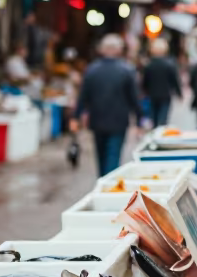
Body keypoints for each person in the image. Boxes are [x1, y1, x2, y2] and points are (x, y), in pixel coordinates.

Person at [73, 34, 141, 177]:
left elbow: (83, 96)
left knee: (101, 156)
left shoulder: (92, 70)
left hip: (98, 120)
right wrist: (140, 119)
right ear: (119, 50)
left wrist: (75, 117)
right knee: (113, 157)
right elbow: (134, 98)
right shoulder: (126, 70)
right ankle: (107, 187)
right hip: (118, 122)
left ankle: (103, 183)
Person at [141, 38, 181, 128]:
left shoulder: (149, 65)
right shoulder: (169, 64)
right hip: (165, 95)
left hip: (152, 95)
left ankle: (156, 134)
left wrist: (145, 91)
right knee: (163, 119)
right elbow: (174, 80)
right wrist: (179, 93)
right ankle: (159, 134)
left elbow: (145, 81)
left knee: (154, 119)